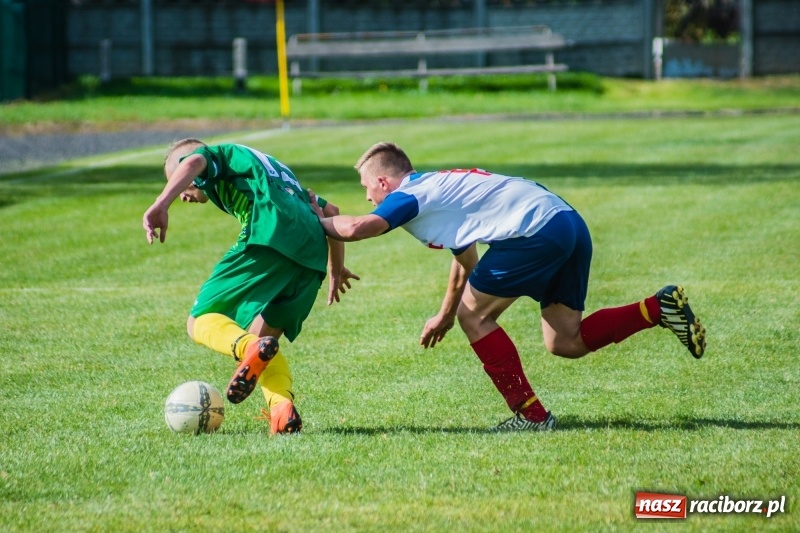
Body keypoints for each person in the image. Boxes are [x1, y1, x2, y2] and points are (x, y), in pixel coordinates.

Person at [311, 141, 706, 432]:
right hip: (567, 222)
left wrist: (312, 220)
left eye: (368, 188)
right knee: (564, 341)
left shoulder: (411, 194)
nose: (368, 196)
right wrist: (445, 315)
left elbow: (361, 228)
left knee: (476, 317)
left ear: (384, 180)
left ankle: (532, 416)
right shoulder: (439, 192)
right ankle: (658, 308)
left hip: (535, 232)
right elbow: (465, 261)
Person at [143, 139, 358, 435]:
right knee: (261, 336)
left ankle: (250, 348)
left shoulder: (214, 156)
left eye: (180, 183)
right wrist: (336, 268)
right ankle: (281, 411)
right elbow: (330, 208)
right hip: (312, 253)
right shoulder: (275, 170)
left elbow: (193, 163)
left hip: (270, 232)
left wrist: (160, 203)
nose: (182, 193)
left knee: (199, 321)